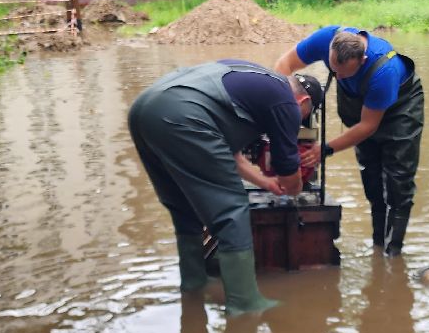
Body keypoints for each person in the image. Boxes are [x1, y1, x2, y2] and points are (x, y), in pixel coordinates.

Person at [128, 60, 323, 315]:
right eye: (304, 117)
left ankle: (194, 281)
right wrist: (294, 188)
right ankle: (244, 304)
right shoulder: (286, 102)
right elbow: (290, 176)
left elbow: (232, 155)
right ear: (303, 101)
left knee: (183, 207)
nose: (298, 124)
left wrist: (264, 183)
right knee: (232, 210)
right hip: (183, 116)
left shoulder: (255, 82)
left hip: (145, 109)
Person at [274, 26, 423, 255]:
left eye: (344, 74)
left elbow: (368, 126)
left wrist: (325, 149)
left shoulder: (385, 71)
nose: (338, 77)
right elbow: (284, 64)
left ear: (362, 60)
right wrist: (287, 109)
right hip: (363, 110)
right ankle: (377, 246)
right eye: (334, 71)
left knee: (398, 184)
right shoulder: (326, 39)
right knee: (371, 181)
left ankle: (393, 254)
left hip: (400, 111)